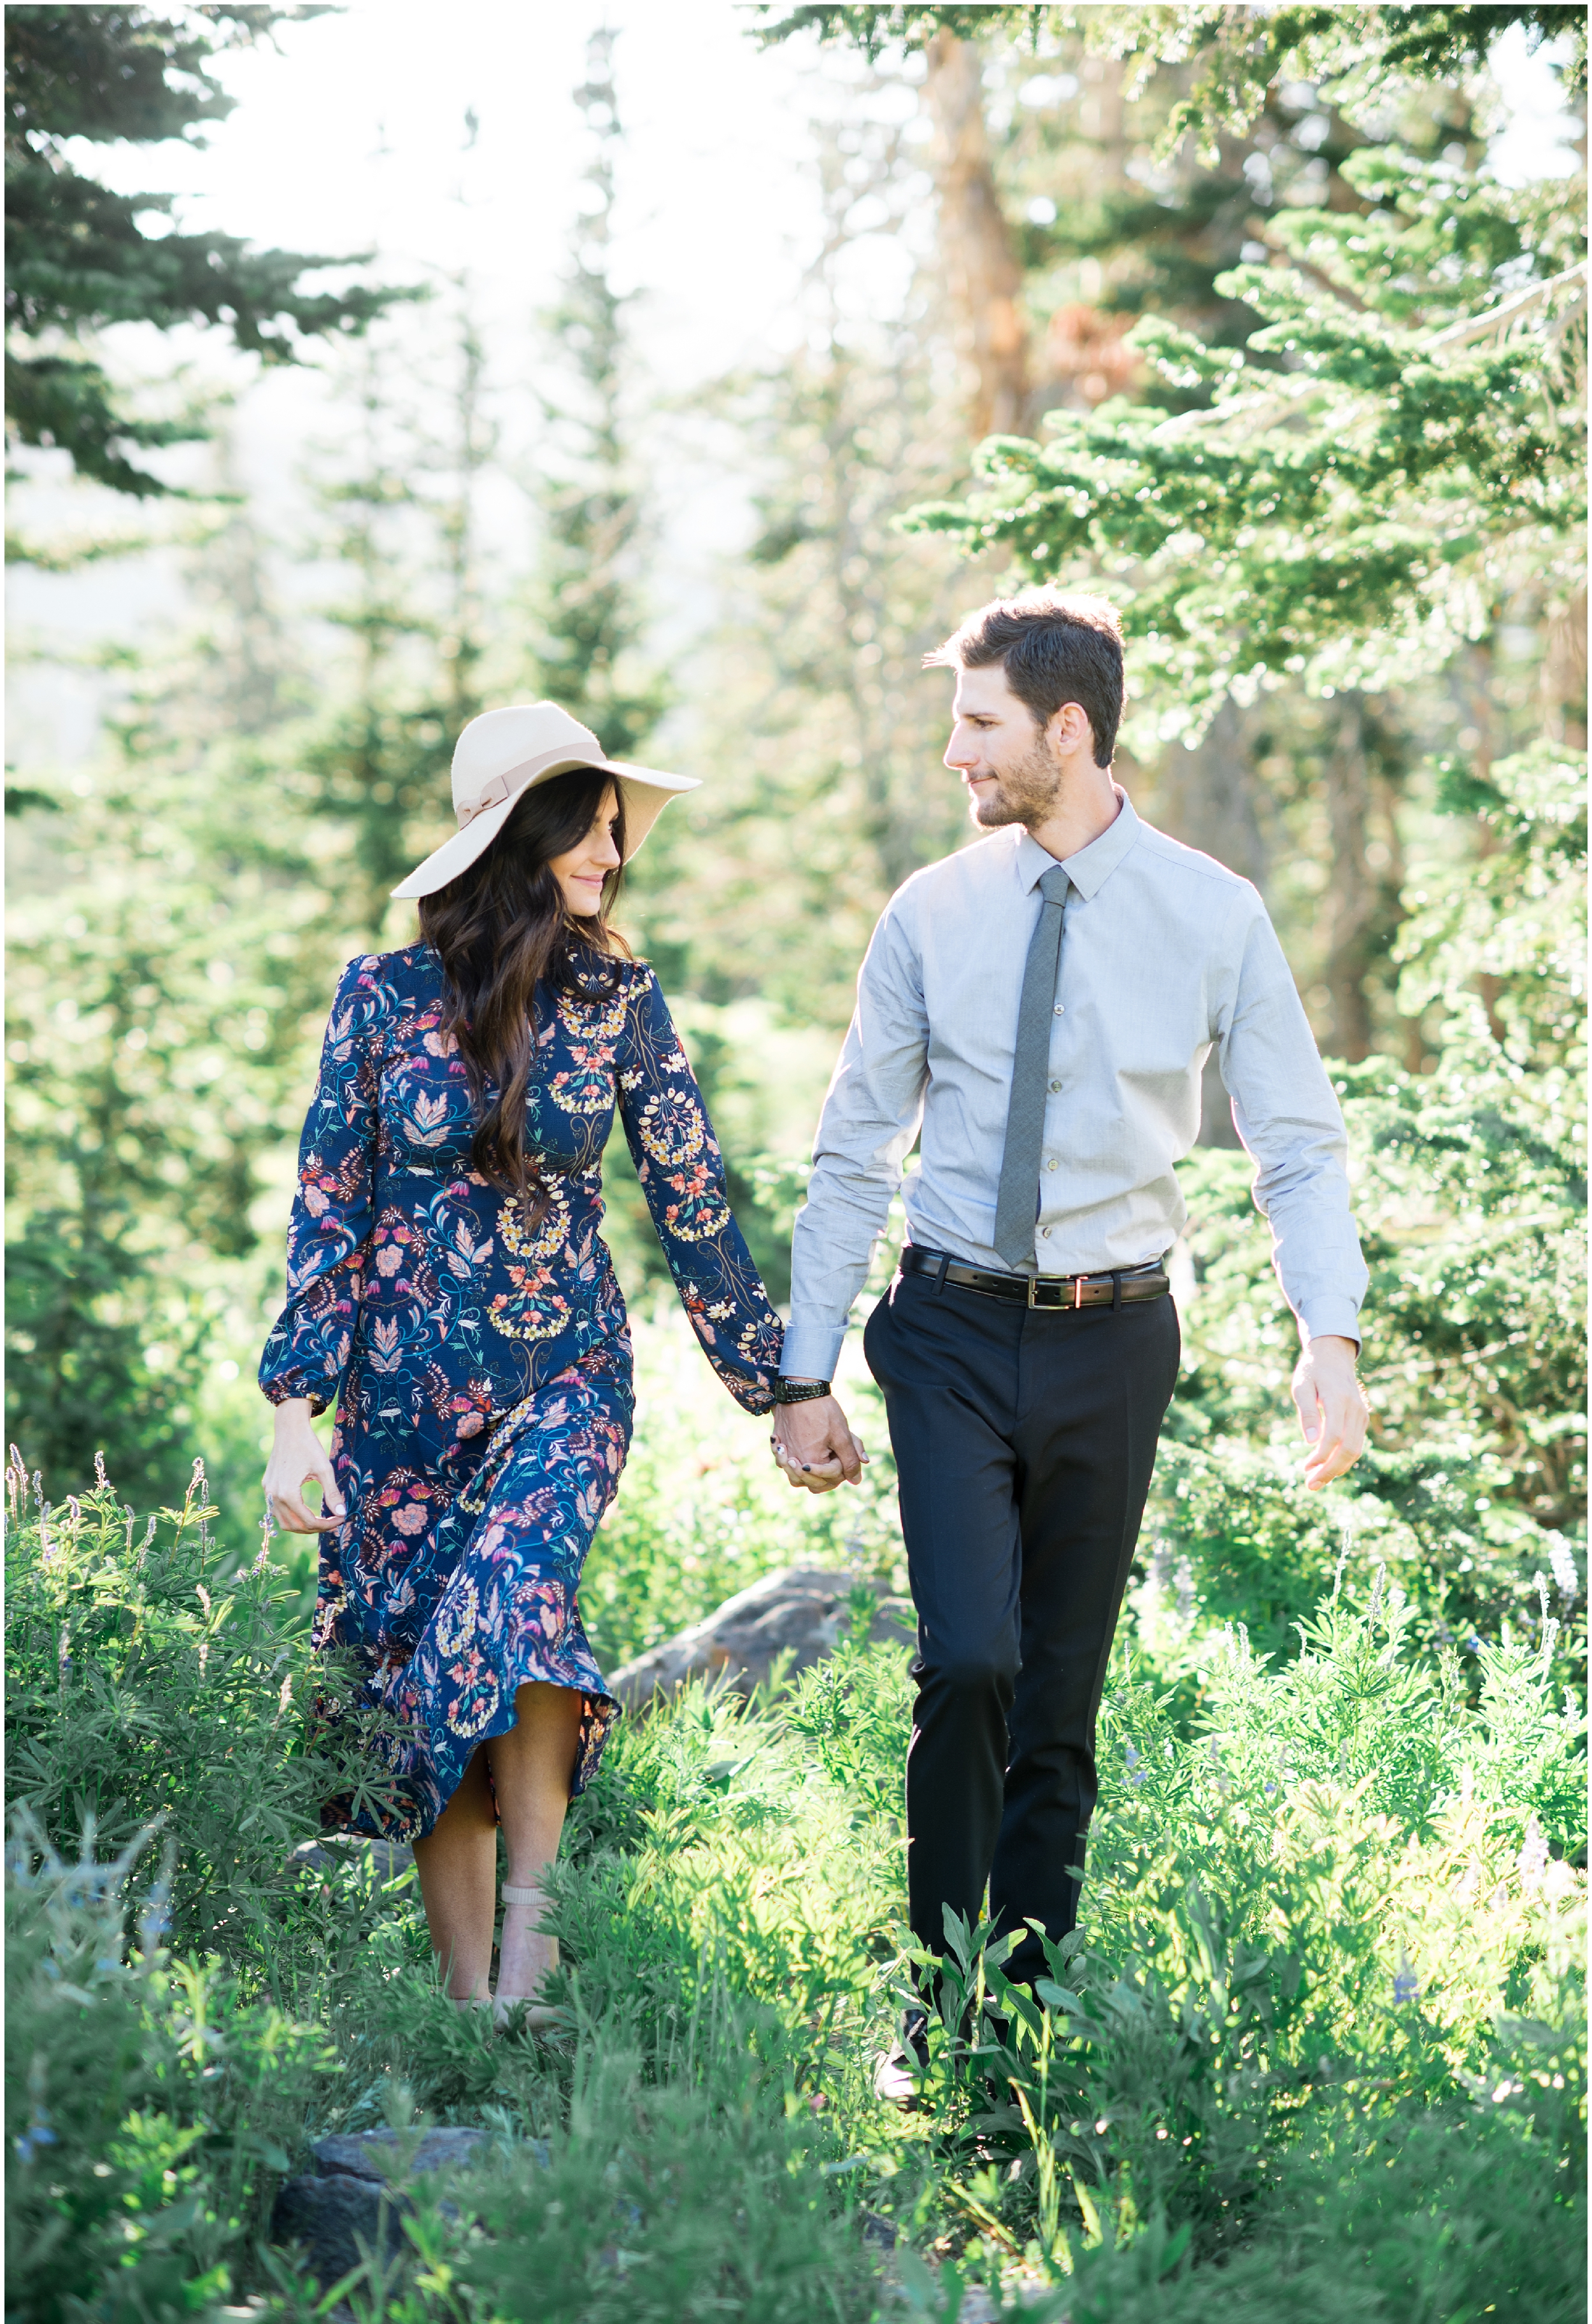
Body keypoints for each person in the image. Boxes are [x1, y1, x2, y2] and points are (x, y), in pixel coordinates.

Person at [769, 590, 1368, 2094]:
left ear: (1065, 729)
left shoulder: (1211, 914)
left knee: (1057, 1697)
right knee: (966, 1661)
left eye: (976, 724)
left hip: (1115, 1340)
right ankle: (934, 2000)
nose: (951, 752)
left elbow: (1291, 1141)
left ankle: (1015, 2035)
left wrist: (1328, 1334)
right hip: (950, 1328)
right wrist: (804, 1367)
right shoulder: (929, 914)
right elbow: (851, 1151)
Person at [260, 702, 788, 2025]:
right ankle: (466, 2011)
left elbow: (691, 1200)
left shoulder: (620, 1002)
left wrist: (779, 1382)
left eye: (617, 832)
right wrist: (293, 1411)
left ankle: (530, 1960)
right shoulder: (379, 997)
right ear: (517, 838)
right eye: (588, 830)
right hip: (393, 1406)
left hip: (564, 1381)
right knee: (428, 1656)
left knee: (518, 1614)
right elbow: (331, 1199)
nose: (611, 855)